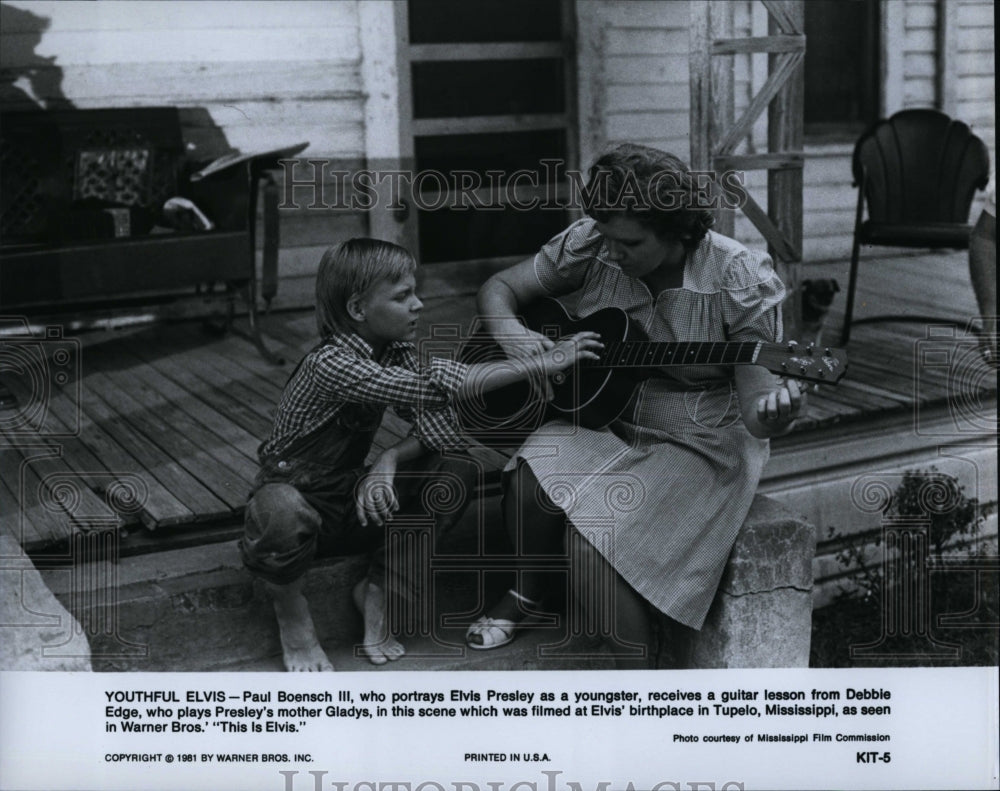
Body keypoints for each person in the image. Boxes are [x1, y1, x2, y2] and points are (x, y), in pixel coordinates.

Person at [467, 144, 806, 667]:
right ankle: (527, 593)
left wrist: (777, 412)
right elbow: (498, 288)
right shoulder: (594, 242)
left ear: (677, 231)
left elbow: (757, 408)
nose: (611, 252)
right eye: (604, 235)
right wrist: (513, 337)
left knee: (592, 545)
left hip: (705, 436)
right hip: (614, 408)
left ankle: (640, 687)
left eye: (629, 242)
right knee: (531, 473)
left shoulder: (737, 276)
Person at [239, 238, 601, 671]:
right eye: (402, 296)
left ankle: (380, 592)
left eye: (415, 291)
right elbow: (441, 386)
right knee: (276, 507)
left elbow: (445, 425)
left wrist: (390, 457)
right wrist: (539, 364)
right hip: (297, 502)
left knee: (457, 468)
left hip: (349, 501)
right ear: (357, 308)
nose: (419, 304)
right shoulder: (330, 364)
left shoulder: (396, 352)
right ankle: (293, 615)